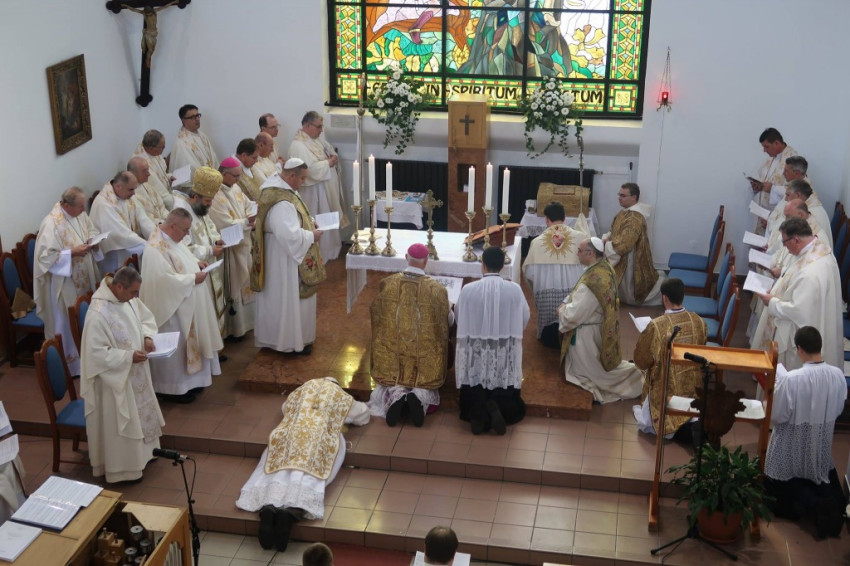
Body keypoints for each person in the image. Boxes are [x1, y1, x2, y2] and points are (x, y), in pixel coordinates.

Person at [235, 377, 369, 552]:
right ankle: (291, 513)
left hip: (289, 434)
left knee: (278, 469)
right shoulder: (342, 396)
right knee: (309, 474)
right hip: (318, 437)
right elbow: (363, 415)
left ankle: (269, 507)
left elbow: (285, 408)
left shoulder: (300, 390)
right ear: (336, 385)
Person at [80, 267, 164, 483]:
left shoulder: (127, 299)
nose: (135, 297)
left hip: (136, 372)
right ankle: (124, 469)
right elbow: (95, 355)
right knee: (122, 423)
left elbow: (144, 319)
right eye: (133, 292)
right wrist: (127, 357)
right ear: (119, 287)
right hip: (113, 383)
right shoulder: (97, 314)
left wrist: (146, 337)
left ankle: (146, 455)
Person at [764, 326, 846, 537]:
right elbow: (838, 409)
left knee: (779, 481)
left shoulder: (792, 379)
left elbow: (777, 416)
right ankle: (827, 503)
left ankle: (815, 504)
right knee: (820, 475)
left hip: (790, 446)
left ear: (799, 349)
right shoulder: (837, 375)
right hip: (819, 443)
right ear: (819, 346)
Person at [140, 209, 223, 403]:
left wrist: (196, 263)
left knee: (190, 343)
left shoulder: (171, 238)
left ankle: (193, 382)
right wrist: (192, 278)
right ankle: (173, 389)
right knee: (179, 347)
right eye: (185, 230)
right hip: (173, 309)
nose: (187, 234)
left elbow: (182, 257)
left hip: (186, 300)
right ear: (172, 226)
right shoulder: (155, 248)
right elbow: (162, 280)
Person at [369, 243, 452, 427]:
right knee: (424, 381)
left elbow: (377, 315)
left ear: (406, 258)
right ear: (426, 261)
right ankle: (418, 397)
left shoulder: (387, 284)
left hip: (394, 353)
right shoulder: (437, 290)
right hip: (423, 356)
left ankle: (397, 395)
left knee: (392, 381)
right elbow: (447, 321)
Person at [252, 159, 325, 354]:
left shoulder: (282, 189)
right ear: (292, 175)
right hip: (283, 257)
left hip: (280, 251)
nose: (303, 182)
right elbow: (289, 235)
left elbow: (296, 217)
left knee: (279, 298)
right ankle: (288, 342)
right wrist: (311, 235)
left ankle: (284, 339)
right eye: (302, 178)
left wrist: (309, 222)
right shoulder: (281, 201)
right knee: (286, 298)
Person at [558, 238, 642, 403]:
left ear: (590, 253)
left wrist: (562, 310)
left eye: (580, 250)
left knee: (595, 374)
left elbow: (575, 314)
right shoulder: (603, 268)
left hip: (585, 335)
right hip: (597, 327)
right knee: (598, 367)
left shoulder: (593, 282)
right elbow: (579, 294)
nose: (577, 253)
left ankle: (639, 379)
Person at [456, 246, 529, 435]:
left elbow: (459, 316)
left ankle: (477, 413)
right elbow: (525, 316)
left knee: (476, 379)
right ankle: (498, 407)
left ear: (483, 264)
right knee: (503, 379)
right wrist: (509, 333)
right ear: (503, 266)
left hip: (476, 347)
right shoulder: (514, 289)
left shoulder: (468, 289)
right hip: (503, 347)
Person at [753, 217, 842, 370]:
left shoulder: (811, 273)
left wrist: (771, 302)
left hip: (800, 337)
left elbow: (798, 311)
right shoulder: (819, 249)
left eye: (784, 242)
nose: (784, 247)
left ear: (796, 240)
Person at [33, 187, 101, 375]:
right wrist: (72, 252)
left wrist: (92, 239)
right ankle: (72, 365)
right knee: (66, 320)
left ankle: (90, 356)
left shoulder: (78, 214)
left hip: (84, 275)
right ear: (66, 205)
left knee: (85, 314)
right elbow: (45, 258)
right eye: (80, 206)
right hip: (64, 283)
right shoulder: (51, 224)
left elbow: (91, 229)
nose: (84, 210)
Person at [633, 278, 707, 440]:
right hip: (693, 387)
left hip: (667, 388)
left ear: (664, 298)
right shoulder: (699, 321)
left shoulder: (657, 325)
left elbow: (641, 360)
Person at [172, 167, 227, 338]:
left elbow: (209, 225)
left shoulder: (199, 207)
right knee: (204, 311)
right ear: (195, 196)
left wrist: (216, 240)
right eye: (207, 201)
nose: (210, 204)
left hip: (210, 264)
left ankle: (217, 342)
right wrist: (209, 250)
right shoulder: (180, 213)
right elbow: (181, 247)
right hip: (196, 267)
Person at [522, 201, 586, 347]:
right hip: (572, 290)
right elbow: (587, 266)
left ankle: (545, 334)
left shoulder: (537, 242)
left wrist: (540, 283)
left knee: (547, 320)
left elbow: (529, 273)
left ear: (546, 219)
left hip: (546, 291)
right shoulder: (580, 238)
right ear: (564, 218)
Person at [288, 110, 347, 261]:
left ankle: (331, 250)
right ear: (308, 125)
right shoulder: (298, 145)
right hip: (314, 191)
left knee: (327, 220)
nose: (321, 130)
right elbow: (309, 169)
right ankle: (320, 254)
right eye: (319, 126)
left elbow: (329, 151)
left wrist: (333, 157)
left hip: (324, 188)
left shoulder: (316, 140)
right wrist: (328, 163)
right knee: (318, 219)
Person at [210, 157, 256, 340]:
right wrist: (247, 221)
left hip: (244, 242)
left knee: (246, 281)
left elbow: (249, 204)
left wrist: (251, 215)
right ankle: (235, 329)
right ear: (223, 174)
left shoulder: (235, 187)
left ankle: (248, 323)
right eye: (235, 176)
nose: (238, 179)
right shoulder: (215, 195)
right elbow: (224, 223)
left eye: (239, 176)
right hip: (230, 248)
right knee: (235, 284)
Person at [602, 183, 663, 306]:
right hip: (621, 252)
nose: (619, 198)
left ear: (634, 197)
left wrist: (607, 244)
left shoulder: (635, 217)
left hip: (631, 258)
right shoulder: (623, 212)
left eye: (623, 195)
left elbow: (625, 244)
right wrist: (606, 238)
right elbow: (613, 230)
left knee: (631, 292)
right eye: (619, 194)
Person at [90, 170, 155, 274]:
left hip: (129, 242)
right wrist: (148, 246)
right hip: (116, 251)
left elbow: (143, 219)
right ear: (118, 186)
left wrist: (156, 236)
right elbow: (120, 234)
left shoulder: (125, 195)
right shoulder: (104, 204)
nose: (134, 193)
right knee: (150, 253)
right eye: (131, 189)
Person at [748, 128, 797, 234]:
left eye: (766, 147)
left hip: (778, 215)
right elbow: (761, 179)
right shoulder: (771, 158)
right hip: (763, 213)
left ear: (776, 143)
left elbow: (796, 191)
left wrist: (773, 189)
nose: (764, 150)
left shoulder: (793, 160)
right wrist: (757, 187)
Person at [169, 104, 218, 172]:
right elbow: (188, 168)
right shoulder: (181, 143)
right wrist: (206, 175)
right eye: (192, 117)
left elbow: (213, 158)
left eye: (198, 115)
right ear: (183, 120)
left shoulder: (203, 136)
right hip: (199, 178)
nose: (197, 119)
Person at [134, 129, 174, 209]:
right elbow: (157, 189)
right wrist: (176, 204)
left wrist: (169, 177)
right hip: (156, 202)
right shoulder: (142, 165)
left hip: (166, 192)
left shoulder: (154, 153)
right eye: (162, 147)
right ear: (151, 148)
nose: (164, 148)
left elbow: (161, 174)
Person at [128, 156, 169, 225]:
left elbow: (162, 207)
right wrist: (165, 223)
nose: (148, 174)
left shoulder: (146, 185)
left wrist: (168, 218)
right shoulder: (131, 194)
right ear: (132, 173)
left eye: (148, 170)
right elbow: (144, 220)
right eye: (144, 171)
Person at [233, 138, 264, 202]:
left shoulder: (248, 165)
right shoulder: (232, 173)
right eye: (254, 158)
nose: (256, 161)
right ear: (243, 156)